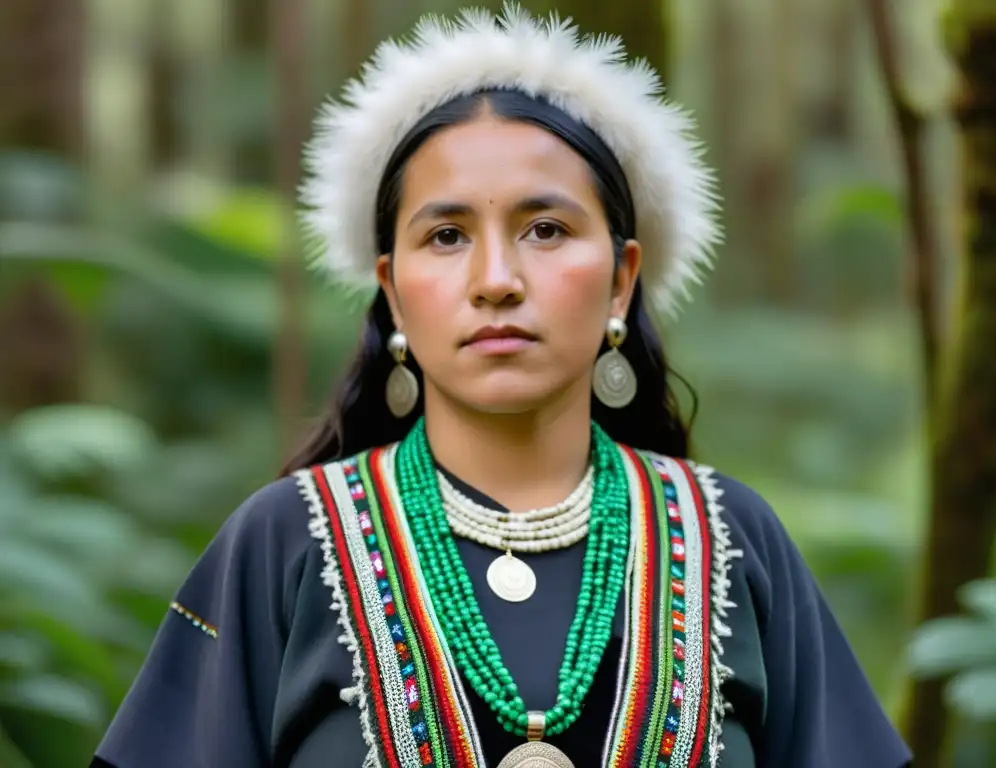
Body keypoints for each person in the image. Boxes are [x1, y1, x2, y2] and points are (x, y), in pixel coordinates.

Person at [92, 6, 912, 767]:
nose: (496, 279)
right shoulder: (280, 546)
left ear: (623, 280)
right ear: (392, 288)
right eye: (446, 235)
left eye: (545, 230)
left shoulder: (735, 541)